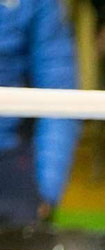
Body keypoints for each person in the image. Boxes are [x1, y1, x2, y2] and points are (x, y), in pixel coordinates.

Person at [0, 0, 80, 227]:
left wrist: (46, 188)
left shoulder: (39, 4)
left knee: (27, 232)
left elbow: (58, 89)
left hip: (11, 151)